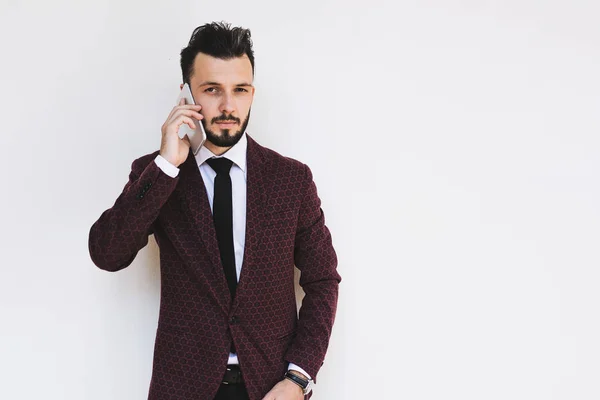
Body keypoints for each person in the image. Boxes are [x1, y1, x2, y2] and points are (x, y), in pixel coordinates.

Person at [88, 21, 341, 400]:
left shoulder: (292, 180)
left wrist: (298, 378)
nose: (227, 106)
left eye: (240, 90)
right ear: (187, 94)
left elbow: (323, 282)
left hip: (272, 388)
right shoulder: (156, 174)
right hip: (184, 387)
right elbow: (107, 253)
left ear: (252, 93)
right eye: (212, 90)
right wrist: (166, 164)